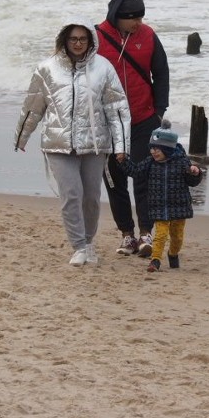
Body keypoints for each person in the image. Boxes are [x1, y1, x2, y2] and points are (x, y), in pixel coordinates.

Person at [15, 22, 130, 267]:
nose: (78, 43)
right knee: (71, 195)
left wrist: (121, 146)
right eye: (73, 39)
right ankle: (78, 246)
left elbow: (117, 109)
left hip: (95, 144)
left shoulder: (103, 68)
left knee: (90, 197)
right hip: (58, 144)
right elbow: (33, 107)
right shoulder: (46, 68)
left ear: (90, 41)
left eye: (82, 39)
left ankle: (89, 243)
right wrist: (22, 137)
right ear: (64, 41)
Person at [95, 0, 170, 259]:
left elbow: (161, 72)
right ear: (117, 15)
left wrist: (159, 110)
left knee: (144, 176)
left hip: (143, 119)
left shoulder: (148, 35)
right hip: (108, 124)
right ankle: (127, 234)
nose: (138, 22)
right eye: (133, 18)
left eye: (141, 16)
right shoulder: (96, 37)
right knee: (115, 180)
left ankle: (146, 233)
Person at [116, 120, 202, 272]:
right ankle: (155, 261)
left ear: (167, 149)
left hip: (179, 208)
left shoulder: (182, 162)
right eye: (152, 148)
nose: (153, 152)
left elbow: (192, 182)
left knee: (177, 238)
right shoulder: (150, 162)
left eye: (158, 149)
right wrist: (124, 161)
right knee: (160, 235)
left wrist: (195, 173)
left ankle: (173, 254)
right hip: (159, 208)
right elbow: (136, 172)